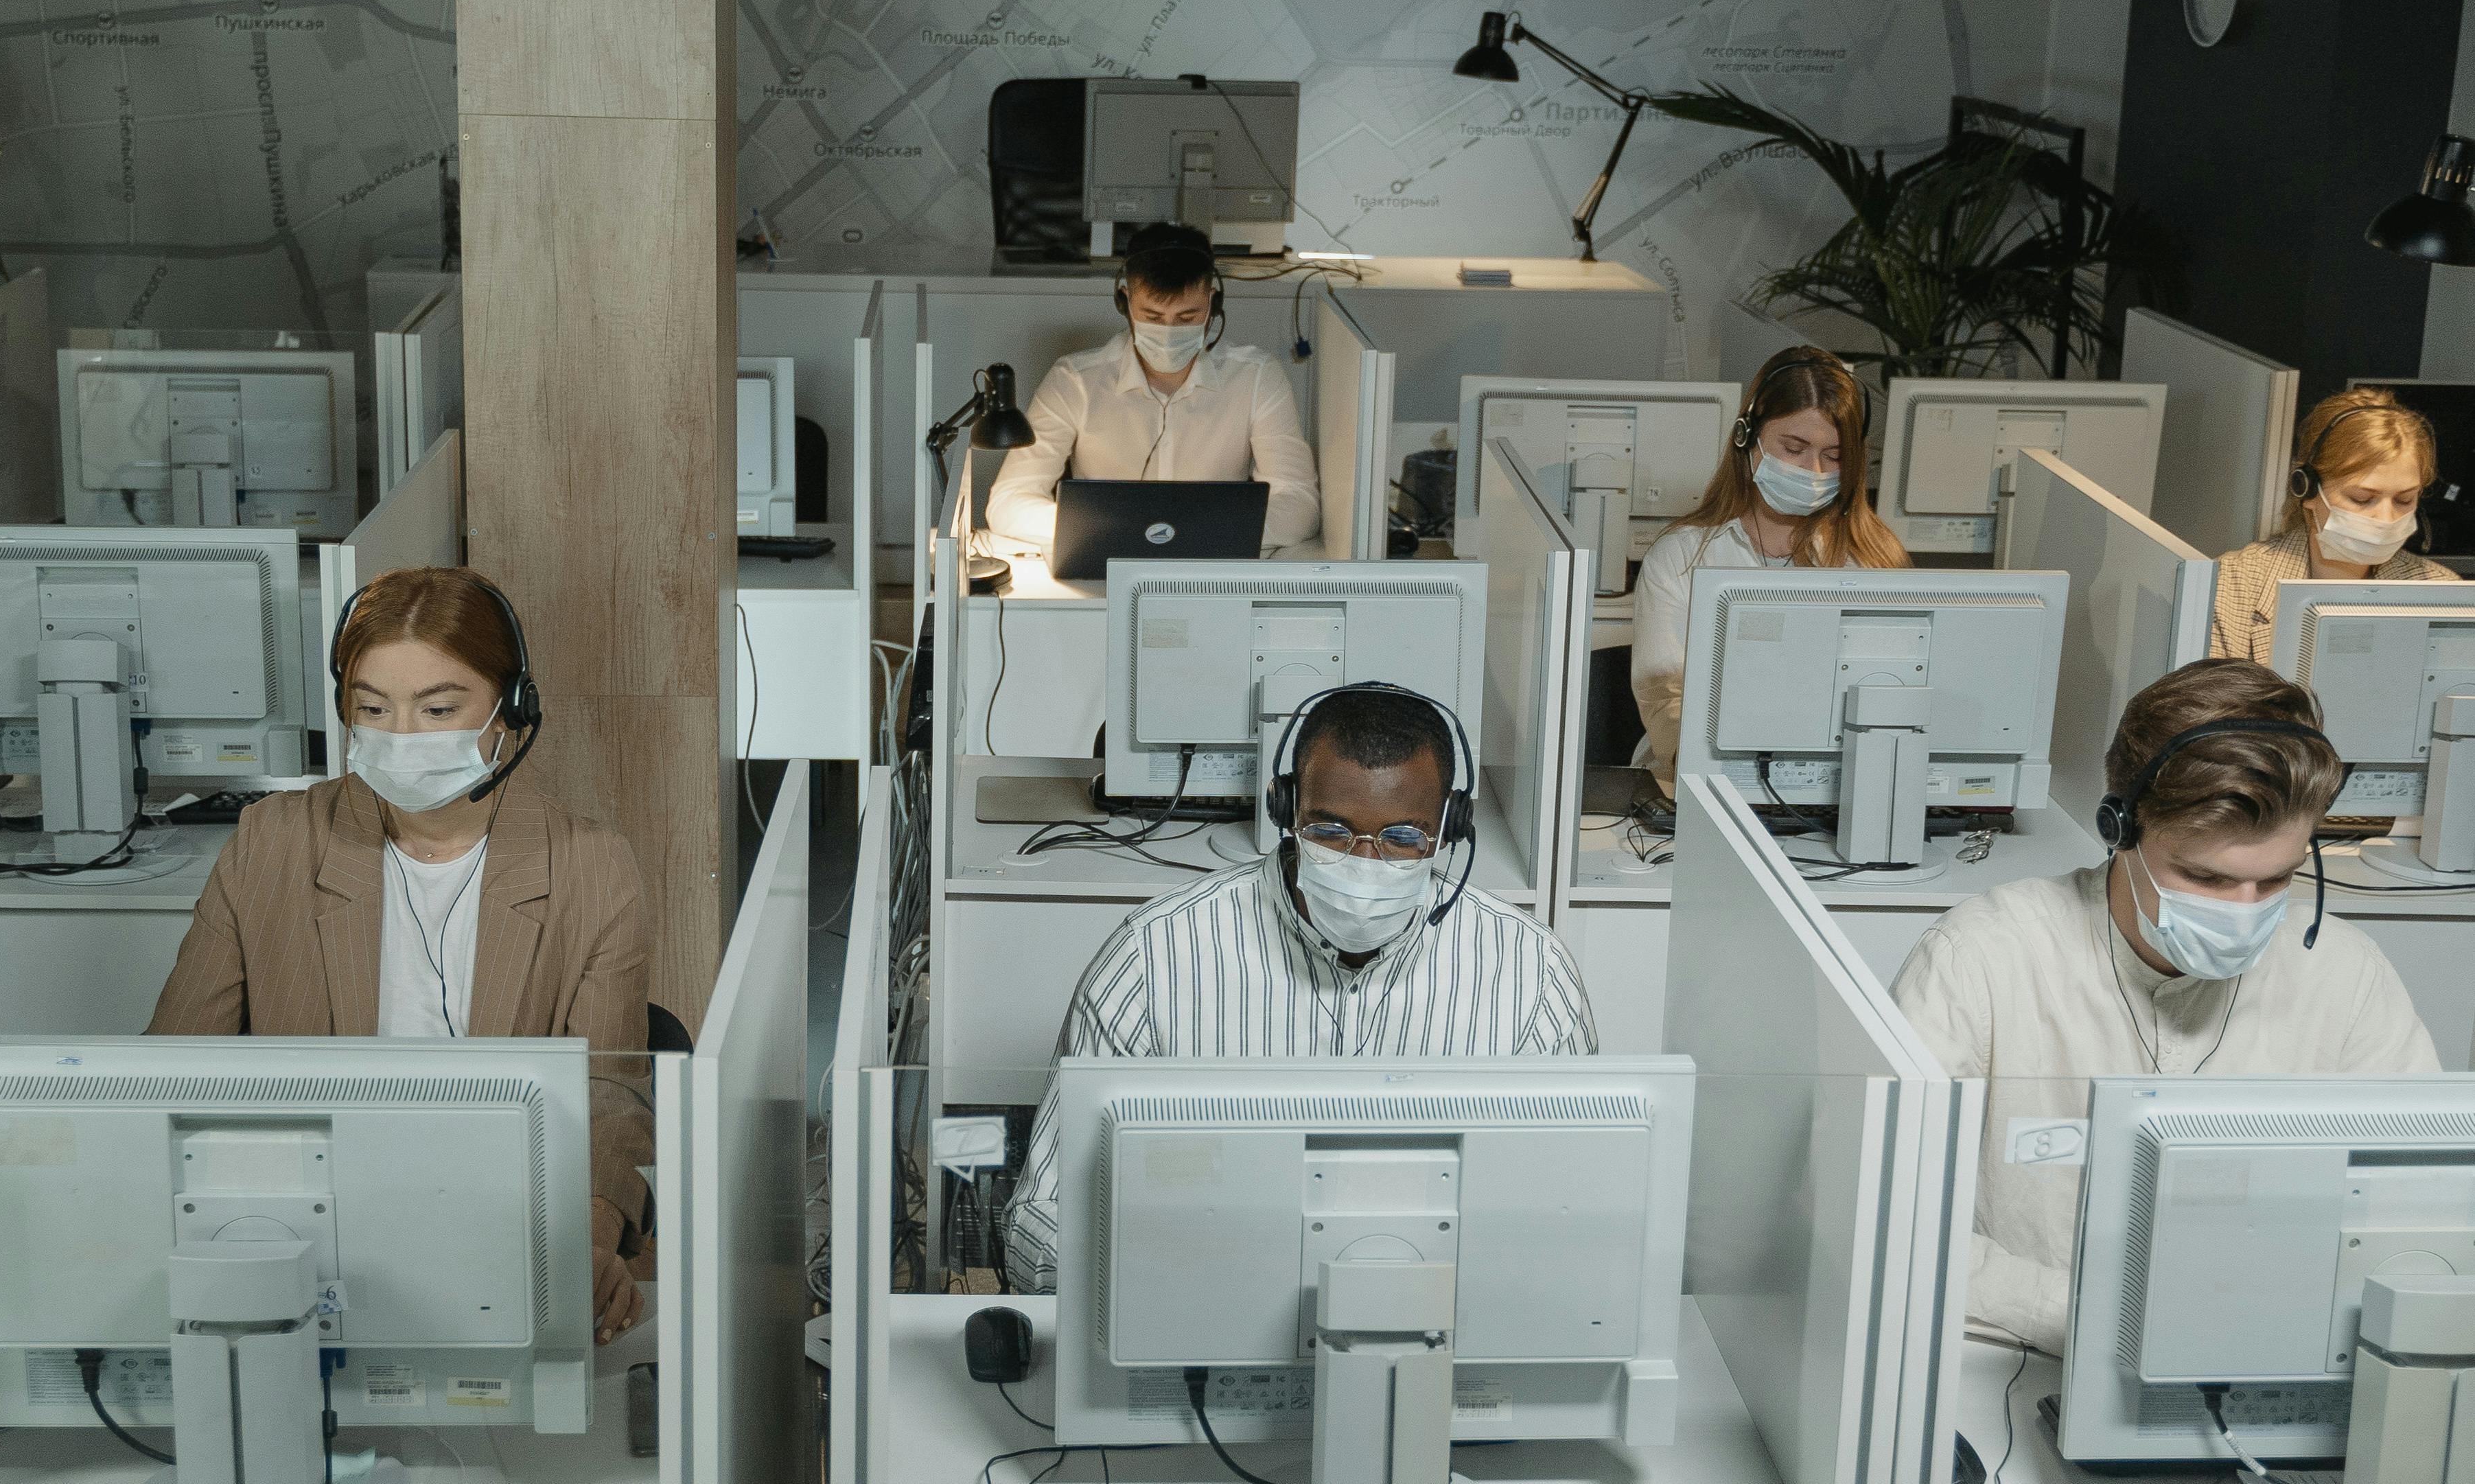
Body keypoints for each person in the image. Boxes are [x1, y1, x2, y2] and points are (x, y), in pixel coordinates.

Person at [0, 568, 653, 1345]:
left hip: (498, 1238)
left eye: (439, 708)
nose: (402, 737)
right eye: (373, 708)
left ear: (512, 710)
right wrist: (15, 1237)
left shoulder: (589, 867)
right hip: (297, 1238)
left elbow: (610, 1089)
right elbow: (165, 1073)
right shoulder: (274, 842)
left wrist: (596, 1231)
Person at [1892, 658, 2438, 1353]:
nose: (2242, 911)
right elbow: (1889, 1218)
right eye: (2203, 876)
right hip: (2016, 1361)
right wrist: (2102, 1321)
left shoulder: (2344, 975)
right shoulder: (1982, 958)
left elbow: (2412, 1219)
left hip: (2268, 1359)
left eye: (2275, 878)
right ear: (2118, 828)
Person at [999, 684, 1597, 1292]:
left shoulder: (1529, 976)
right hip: (1206, 1314)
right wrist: (1163, 1275)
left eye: (1401, 838)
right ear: (1286, 810)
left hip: (1444, 1322)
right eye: (1331, 832)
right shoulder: (1153, 959)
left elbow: (1584, 1216)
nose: (1365, 863)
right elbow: (1038, 1224)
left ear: (1448, 830)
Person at [1631, 345, 1907, 789]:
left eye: (1834, 456)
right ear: (1746, 437)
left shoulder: (1873, 559)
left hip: (1838, 786)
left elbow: (1892, 695)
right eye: (1794, 448)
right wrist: (1734, 779)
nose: (1813, 470)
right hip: (1694, 783)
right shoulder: (1682, 556)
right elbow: (1663, 701)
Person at [985, 221, 1321, 553]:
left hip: (1212, 573)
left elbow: (1300, 505)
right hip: (1105, 573)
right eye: (1153, 316)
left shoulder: (1256, 377)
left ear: (1213, 301)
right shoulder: (1075, 380)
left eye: (1188, 317)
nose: (1169, 330)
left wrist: (1188, 533)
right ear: (1124, 301)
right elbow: (1009, 501)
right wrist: (1113, 531)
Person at [2211, 386, 2457, 661]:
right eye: (2362, 499)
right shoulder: (2232, 586)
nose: (2386, 519)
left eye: (2404, 500)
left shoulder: (2443, 594)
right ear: (2307, 489)